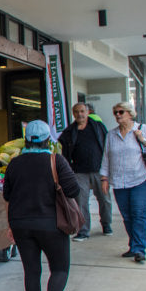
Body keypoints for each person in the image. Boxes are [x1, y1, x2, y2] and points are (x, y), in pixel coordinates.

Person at [3, 120, 79, 291]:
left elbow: (7, 196)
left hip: (20, 224)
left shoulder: (14, 163)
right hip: (51, 224)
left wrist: (9, 224)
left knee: (32, 271)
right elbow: (73, 190)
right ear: (49, 140)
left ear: (26, 139)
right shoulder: (56, 161)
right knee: (60, 268)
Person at [99, 101, 146, 264]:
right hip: (119, 182)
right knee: (127, 216)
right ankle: (133, 246)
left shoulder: (142, 129)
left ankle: (140, 249)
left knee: (139, 214)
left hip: (140, 179)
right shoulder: (111, 134)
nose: (118, 115)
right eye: (115, 113)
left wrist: (143, 140)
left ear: (130, 113)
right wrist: (104, 178)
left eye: (121, 112)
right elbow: (106, 157)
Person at [58, 102, 113, 241]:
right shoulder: (69, 132)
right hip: (79, 171)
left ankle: (106, 224)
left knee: (105, 199)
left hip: (99, 169)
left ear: (88, 112)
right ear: (73, 113)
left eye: (82, 111)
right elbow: (64, 153)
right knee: (80, 201)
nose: (79, 114)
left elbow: (107, 145)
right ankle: (83, 230)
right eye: (76, 112)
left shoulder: (98, 127)